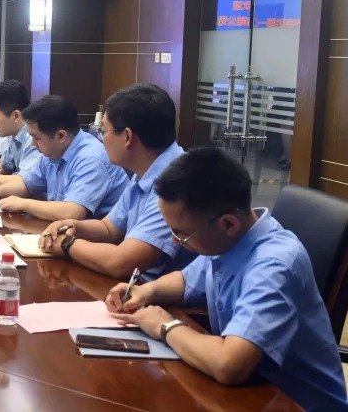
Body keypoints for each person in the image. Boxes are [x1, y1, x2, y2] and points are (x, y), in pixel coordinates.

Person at [107, 148, 348, 412]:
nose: (175, 242)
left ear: (229, 224)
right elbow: (187, 281)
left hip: (294, 403)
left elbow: (228, 364)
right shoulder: (227, 241)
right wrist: (147, 292)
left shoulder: (274, 265)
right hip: (248, 394)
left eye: (182, 234)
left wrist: (164, 325)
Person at [36, 84, 196, 280]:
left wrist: (67, 244)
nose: (101, 139)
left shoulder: (178, 183)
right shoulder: (146, 170)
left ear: (127, 136)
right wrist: (73, 226)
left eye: (104, 131)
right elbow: (109, 229)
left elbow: (121, 263)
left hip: (160, 295)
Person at [0, 94, 127, 220]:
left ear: (61, 136)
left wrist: (23, 204)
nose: (33, 144)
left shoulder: (90, 159)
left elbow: (72, 212)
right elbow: (29, 185)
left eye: (37, 138)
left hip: (97, 240)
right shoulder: (53, 152)